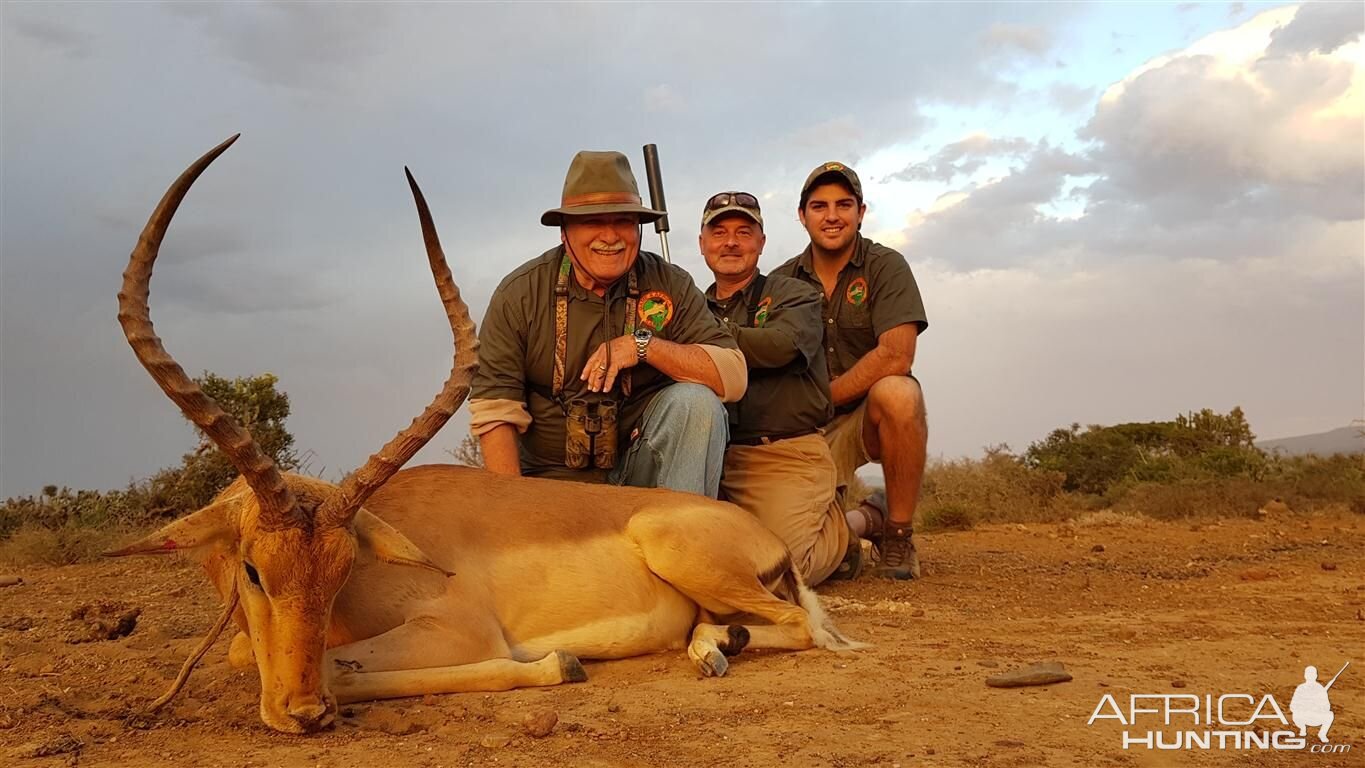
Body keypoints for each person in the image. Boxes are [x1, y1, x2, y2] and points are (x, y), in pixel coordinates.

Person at [469, 151, 746, 496]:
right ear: (563, 232)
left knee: (696, 403)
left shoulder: (669, 282)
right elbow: (495, 410)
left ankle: (683, 539)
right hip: (548, 485)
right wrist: (512, 509)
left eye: (624, 221)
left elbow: (734, 375)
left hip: (640, 476)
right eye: (592, 222)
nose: (610, 236)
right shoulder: (520, 293)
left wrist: (643, 346)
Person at [773, 162, 929, 579]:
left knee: (900, 392)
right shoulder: (780, 281)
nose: (832, 216)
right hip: (804, 429)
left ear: (861, 212)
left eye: (844, 205)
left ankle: (897, 533)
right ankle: (865, 522)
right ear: (802, 215)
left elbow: (897, 355)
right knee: (791, 556)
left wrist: (824, 398)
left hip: (864, 417)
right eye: (819, 206)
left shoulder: (886, 266)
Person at [698, 191, 858, 585]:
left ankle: (844, 529)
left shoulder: (794, 294)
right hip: (715, 459)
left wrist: (702, 339)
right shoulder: (692, 306)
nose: (731, 242)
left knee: (779, 577)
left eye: (743, 232)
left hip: (783, 456)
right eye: (718, 233)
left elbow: (782, 346)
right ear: (702, 244)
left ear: (761, 242)